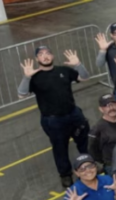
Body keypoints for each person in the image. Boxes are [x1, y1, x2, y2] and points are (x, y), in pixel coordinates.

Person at [18, 46, 92, 187]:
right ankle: (65, 174)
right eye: (41, 54)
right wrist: (26, 77)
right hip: (53, 120)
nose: (45, 56)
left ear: (52, 56)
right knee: (60, 147)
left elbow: (85, 77)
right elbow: (21, 94)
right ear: (37, 59)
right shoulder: (34, 77)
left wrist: (78, 65)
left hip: (73, 114)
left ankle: (89, 163)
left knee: (84, 140)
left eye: (48, 53)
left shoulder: (63, 71)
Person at [89, 94, 116, 172]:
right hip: (115, 165)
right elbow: (93, 150)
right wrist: (106, 162)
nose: (111, 108)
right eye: (107, 106)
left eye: (113, 104)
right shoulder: (97, 129)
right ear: (101, 109)